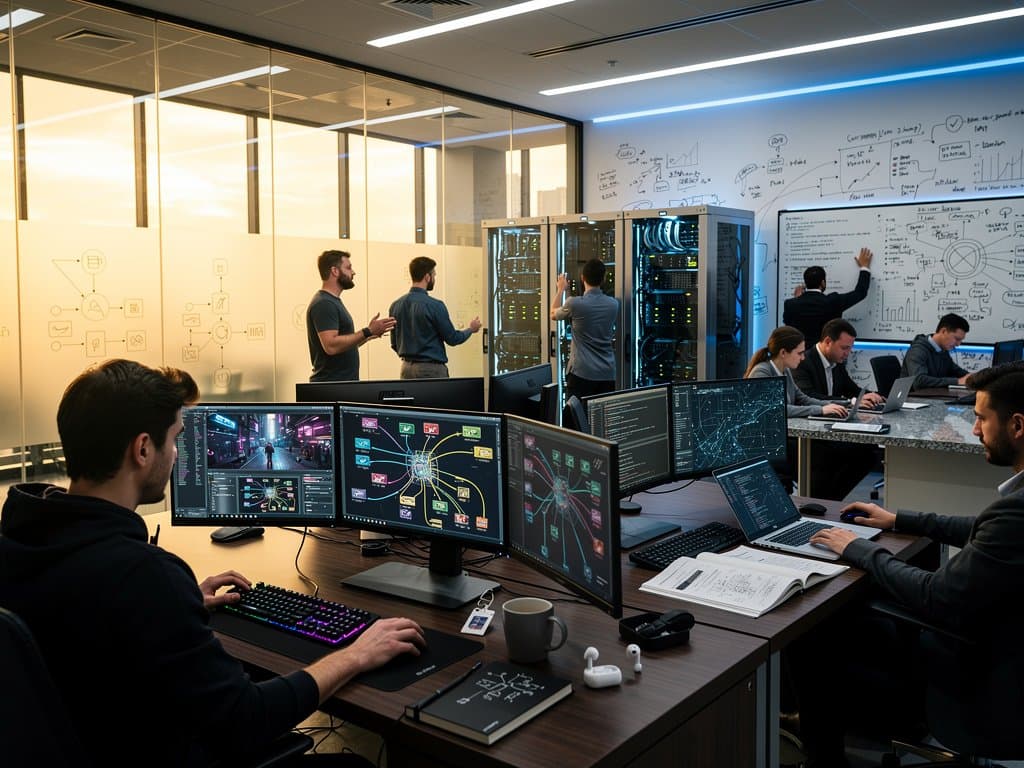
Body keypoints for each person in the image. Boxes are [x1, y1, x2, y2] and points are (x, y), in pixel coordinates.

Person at [0, 359, 424, 767]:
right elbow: (247, 720)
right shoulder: (145, 576)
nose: (178, 455)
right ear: (143, 449)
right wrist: (355, 654)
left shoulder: (21, 539)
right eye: (176, 438)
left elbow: (85, 620)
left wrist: (174, 610)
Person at [789, 360, 1024, 766]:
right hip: (1004, 644)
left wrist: (858, 549)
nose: (974, 429)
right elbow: (984, 528)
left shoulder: (1015, 514)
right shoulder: (1014, 512)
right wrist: (900, 519)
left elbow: (937, 597)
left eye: (982, 419)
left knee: (818, 628)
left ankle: (824, 757)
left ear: (1017, 425)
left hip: (979, 667)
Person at [791, 318, 882, 500]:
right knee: (837, 455)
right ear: (827, 342)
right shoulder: (804, 362)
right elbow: (809, 397)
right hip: (807, 432)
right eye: (844, 348)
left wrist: (869, 395)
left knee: (868, 452)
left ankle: (831, 500)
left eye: (850, 348)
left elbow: (851, 388)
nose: (848, 353)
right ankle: (822, 501)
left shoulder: (836, 362)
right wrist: (850, 401)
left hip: (830, 427)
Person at [306, 250, 395, 382]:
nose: (353, 272)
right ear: (335, 271)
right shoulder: (324, 303)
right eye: (348, 268)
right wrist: (367, 331)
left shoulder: (331, 301)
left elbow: (342, 346)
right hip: (332, 386)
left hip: (339, 384)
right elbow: (331, 346)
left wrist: (369, 335)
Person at [389, 256, 481, 379]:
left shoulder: (395, 306)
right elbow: (453, 339)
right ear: (427, 277)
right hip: (431, 371)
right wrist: (471, 329)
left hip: (406, 370)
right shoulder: (435, 306)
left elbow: (394, 344)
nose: (434, 279)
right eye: (434, 275)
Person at [550, 258, 618, 403]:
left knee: (575, 420)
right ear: (604, 278)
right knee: (601, 420)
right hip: (607, 374)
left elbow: (553, 314)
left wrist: (561, 289)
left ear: (582, 278)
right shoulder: (613, 304)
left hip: (581, 374)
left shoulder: (574, 304)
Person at [745, 325, 848, 419]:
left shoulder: (786, 371)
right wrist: (820, 410)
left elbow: (803, 399)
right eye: (799, 353)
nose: (803, 358)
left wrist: (844, 404)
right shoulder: (761, 372)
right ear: (783, 353)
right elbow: (776, 409)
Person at [782, 247, 873, 345]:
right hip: (826, 354)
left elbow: (789, 326)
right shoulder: (833, 301)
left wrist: (797, 299)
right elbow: (860, 293)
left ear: (806, 283)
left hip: (800, 356)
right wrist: (864, 268)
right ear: (823, 283)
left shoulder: (790, 304)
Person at [900, 312, 970, 389]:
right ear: (943, 331)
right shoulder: (918, 350)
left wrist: (975, 378)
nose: (958, 344)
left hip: (933, 396)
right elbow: (919, 381)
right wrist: (957, 382)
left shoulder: (942, 349)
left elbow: (956, 371)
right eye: (957, 339)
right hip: (912, 398)